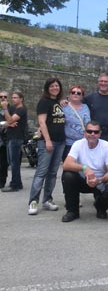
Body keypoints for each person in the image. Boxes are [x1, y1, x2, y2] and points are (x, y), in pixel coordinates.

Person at [61, 120, 108, 222]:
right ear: (84, 133)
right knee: (68, 175)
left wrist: (99, 180)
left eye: (96, 132)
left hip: (101, 181)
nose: (92, 134)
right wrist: (85, 168)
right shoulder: (78, 144)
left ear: (100, 134)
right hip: (83, 179)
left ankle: (100, 207)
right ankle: (72, 211)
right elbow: (66, 164)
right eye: (89, 131)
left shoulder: (107, 146)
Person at [28, 78, 66, 215]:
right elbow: (42, 123)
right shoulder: (44, 102)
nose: (55, 87)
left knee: (52, 173)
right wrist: (48, 140)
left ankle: (47, 200)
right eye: (52, 86)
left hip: (61, 142)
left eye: (57, 85)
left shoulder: (58, 102)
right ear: (47, 88)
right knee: (41, 173)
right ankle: (33, 201)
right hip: (48, 142)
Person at [1, 91, 27, 192]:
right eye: (12, 97)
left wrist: (5, 109)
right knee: (11, 162)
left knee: (14, 162)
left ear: (21, 99)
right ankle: (18, 182)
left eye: (16, 97)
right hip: (10, 137)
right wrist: (8, 122)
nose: (13, 99)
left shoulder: (21, 109)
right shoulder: (12, 108)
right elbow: (7, 121)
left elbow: (10, 120)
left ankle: (15, 184)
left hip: (16, 138)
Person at [62, 84, 91, 161]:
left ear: (82, 96)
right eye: (73, 92)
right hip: (69, 143)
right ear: (69, 94)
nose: (75, 94)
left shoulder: (85, 107)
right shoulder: (63, 106)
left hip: (83, 143)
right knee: (69, 169)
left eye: (78, 93)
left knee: (83, 167)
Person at [0, 91, 9, 189]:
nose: (3, 98)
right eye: (1, 96)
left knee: (3, 162)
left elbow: (11, 122)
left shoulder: (10, 109)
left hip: (5, 139)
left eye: (5, 96)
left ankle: (2, 181)